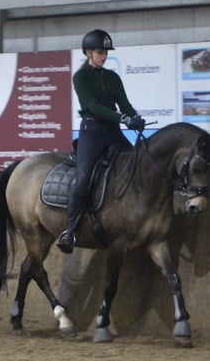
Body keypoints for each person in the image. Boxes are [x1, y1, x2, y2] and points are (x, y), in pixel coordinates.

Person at [56, 29, 145, 253]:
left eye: (105, 52)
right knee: (83, 177)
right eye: (99, 51)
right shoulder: (81, 77)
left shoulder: (113, 77)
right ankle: (69, 229)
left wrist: (134, 117)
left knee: (136, 164)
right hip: (92, 131)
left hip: (112, 131)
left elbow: (124, 104)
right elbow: (94, 106)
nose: (103, 55)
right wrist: (122, 118)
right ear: (88, 52)